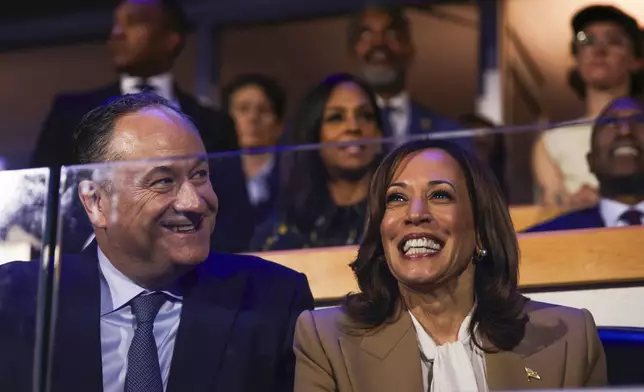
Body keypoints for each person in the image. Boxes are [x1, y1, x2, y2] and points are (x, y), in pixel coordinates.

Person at [0, 93, 314, 392]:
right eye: (163, 181)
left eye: (200, 175)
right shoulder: (17, 300)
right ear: (96, 202)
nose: (194, 203)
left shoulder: (272, 300)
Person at [293, 139, 606, 391]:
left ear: (481, 231)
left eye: (440, 195)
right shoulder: (327, 341)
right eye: (396, 199)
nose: (414, 213)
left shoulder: (570, 340)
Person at [31, 0, 238, 168]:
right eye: (116, 23)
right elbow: (38, 197)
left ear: (171, 39)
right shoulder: (69, 114)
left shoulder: (215, 126)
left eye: (134, 22)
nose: (117, 33)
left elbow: (233, 208)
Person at [250, 73, 382, 251]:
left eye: (366, 116)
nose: (353, 127)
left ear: (380, 134)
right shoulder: (281, 233)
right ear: (313, 134)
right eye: (336, 118)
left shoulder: (396, 218)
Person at [532, 5, 642, 210]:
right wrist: (569, 205)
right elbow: (552, 208)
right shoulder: (551, 141)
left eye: (614, 41)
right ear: (576, 58)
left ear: (636, 61)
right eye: (587, 40)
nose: (599, 50)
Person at [525, 96, 644, 232]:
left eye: (639, 122)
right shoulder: (538, 240)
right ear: (591, 162)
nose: (625, 131)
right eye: (611, 123)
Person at [348, 4, 463, 140]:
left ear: (410, 49)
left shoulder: (449, 133)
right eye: (366, 34)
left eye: (391, 33)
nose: (379, 42)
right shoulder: (332, 137)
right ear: (352, 52)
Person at [221, 74, 287, 223]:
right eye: (243, 109)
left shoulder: (294, 175)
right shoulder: (212, 176)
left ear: (279, 125)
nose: (253, 118)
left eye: (263, 110)